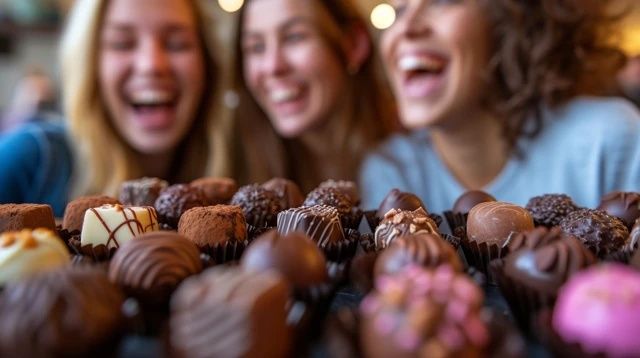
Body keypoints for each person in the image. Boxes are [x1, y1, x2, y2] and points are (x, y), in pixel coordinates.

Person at [360, 0, 640, 214]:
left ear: (510, 19)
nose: (406, 28)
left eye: (442, 0)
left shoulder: (608, 142)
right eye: (398, 11)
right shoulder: (389, 171)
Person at [0, 0, 233, 217]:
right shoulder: (29, 161)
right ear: (90, 64)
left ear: (208, 65)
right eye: (122, 43)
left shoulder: (237, 173)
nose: (151, 65)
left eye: (176, 44)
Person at [232, 0, 396, 193]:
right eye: (256, 47)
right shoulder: (237, 170)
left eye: (294, 37)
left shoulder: (421, 162)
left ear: (354, 44)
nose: (272, 66)